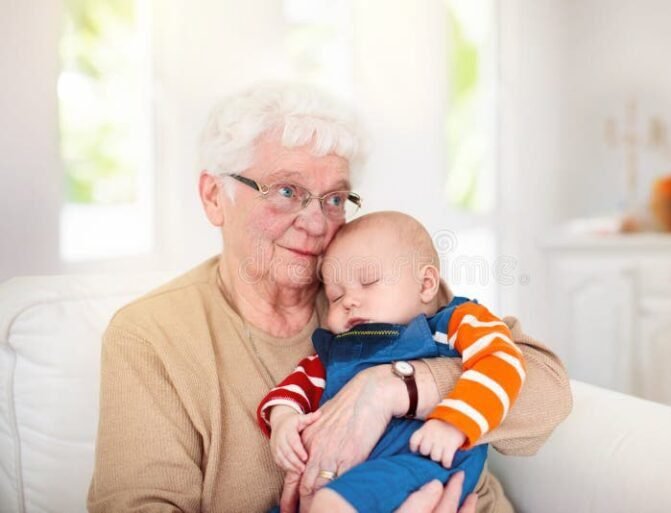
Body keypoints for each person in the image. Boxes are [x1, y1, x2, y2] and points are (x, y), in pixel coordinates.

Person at [87, 82, 573, 513]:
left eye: (335, 198)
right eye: (286, 190)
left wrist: (392, 388)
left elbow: (547, 395)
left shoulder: (379, 288)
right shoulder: (151, 336)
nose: (317, 223)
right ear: (215, 196)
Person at [258, 211, 526, 513]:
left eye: (369, 282)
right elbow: (297, 385)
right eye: (335, 296)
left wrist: (455, 423)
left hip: (425, 459)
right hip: (345, 476)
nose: (348, 301)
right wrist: (283, 421)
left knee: (336, 502)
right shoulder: (339, 350)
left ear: (426, 284)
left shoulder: (457, 323)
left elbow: (502, 361)